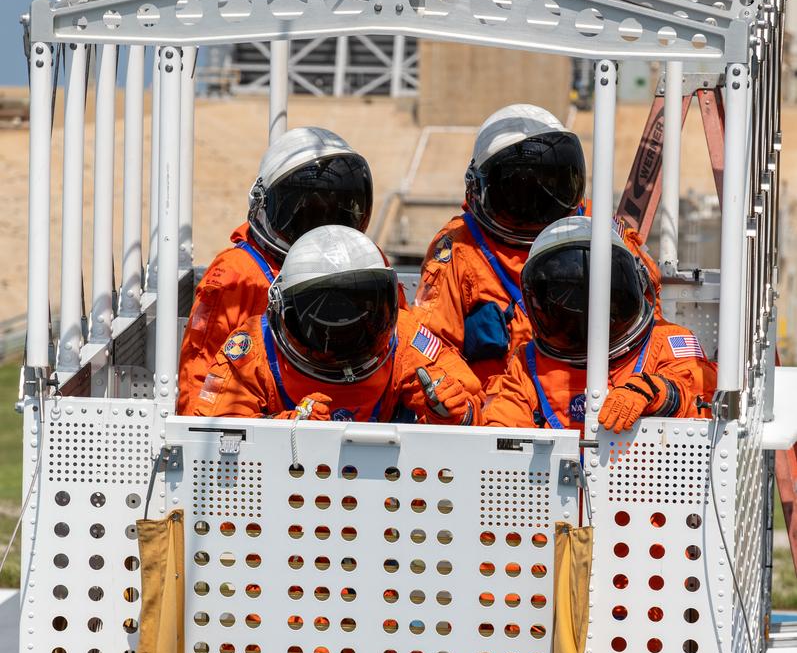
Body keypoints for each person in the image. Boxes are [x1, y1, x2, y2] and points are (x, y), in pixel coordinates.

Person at [413, 104, 660, 389]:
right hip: (496, 409)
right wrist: (468, 403)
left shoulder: (598, 231)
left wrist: (645, 391)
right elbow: (429, 342)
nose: (537, 199)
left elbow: (646, 318)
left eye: (551, 185)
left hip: (598, 395)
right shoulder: (460, 246)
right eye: (520, 188)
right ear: (480, 188)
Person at [193, 226, 484, 424]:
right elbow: (213, 433)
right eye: (327, 312)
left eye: (357, 307)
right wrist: (282, 430)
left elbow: (476, 406)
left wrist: (458, 414)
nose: (344, 328)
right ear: (282, 308)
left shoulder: (406, 339)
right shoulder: (255, 350)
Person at [177, 127, 374, 415]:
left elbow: (400, 346)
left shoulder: (363, 262)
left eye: (338, 212)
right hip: (281, 442)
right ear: (264, 203)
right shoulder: (238, 277)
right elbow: (202, 396)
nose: (324, 229)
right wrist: (280, 425)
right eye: (308, 214)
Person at [484, 216, 716, 432]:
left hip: (646, 474)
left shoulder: (666, 341)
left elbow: (702, 398)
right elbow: (501, 427)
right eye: (569, 298)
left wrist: (657, 392)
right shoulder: (529, 363)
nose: (582, 310)